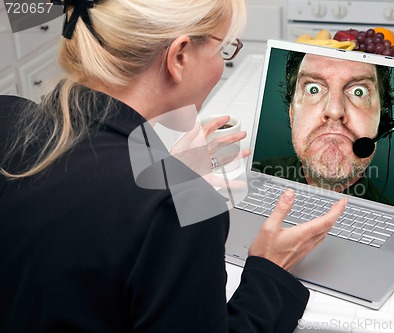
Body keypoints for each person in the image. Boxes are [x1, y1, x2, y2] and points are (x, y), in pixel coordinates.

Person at [0, 0, 347, 332]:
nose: (221, 64)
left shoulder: (7, 114)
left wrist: (162, 171)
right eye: (223, 50)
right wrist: (269, 270)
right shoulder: (177, 208)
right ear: (179, 56)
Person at [253, 51, 394, 203]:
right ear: (292, 114)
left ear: (381, 122)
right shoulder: (250, 180)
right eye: (313, 89)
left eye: (358, 91)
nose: (335, 111)